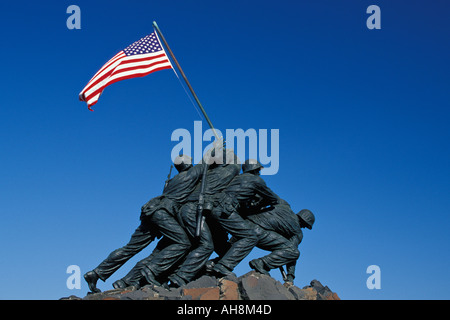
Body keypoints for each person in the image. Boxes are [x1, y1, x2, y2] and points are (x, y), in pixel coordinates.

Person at [83, 155, 203, 292]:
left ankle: (97, 273)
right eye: (190, 160)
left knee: (130, 248)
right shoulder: (191, 173)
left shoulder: (173, 180)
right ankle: (152, 270)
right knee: (183, 243)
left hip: (150, 211)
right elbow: (207, 161)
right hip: (162, 213)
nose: (192, 162)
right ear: (187, 164)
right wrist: (217, 147)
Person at [206, 159, 280, 277]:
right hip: (225, 209)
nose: (259, 173)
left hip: (213, 208)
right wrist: (258, 204)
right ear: (254, 170)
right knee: (250, 237)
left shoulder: (237, 178)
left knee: (223, 244)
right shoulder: (256, 180)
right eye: (258, 170)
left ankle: (210, 265)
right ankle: (223, 266)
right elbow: (273, 199)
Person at [244, 199, 315, 286]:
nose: (304, 228)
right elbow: (291, 253)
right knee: (293, 252)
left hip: (245, 224)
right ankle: (262, 263)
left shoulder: (284, 206)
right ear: (304, 222)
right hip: (259, 233)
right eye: (306, 226)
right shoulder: (297, 232)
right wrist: (290, 277)